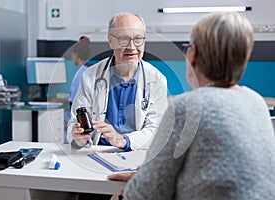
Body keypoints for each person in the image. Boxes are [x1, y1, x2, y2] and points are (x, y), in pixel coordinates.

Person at [109, 12, 275, 200]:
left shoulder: (188, 108)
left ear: (193, 54)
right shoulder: (256, 102)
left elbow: (144, 195)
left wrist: (143, 179)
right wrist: (151, 173)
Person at [67, 13, 168, 152]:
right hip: (96, 154)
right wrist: (78, 138)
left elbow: (157, 130)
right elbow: (75, 123)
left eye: (138, 39)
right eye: (124, 39)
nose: (132, 47)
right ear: (111, 41)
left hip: (136, 154)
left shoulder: (157, 80)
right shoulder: (90, 76)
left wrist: (123, 140)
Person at [69, 36, 91, 107]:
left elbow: (73, 101)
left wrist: (58, 100)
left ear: (76, 55)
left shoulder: (80, 74)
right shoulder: (90, 69)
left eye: (72, 55)